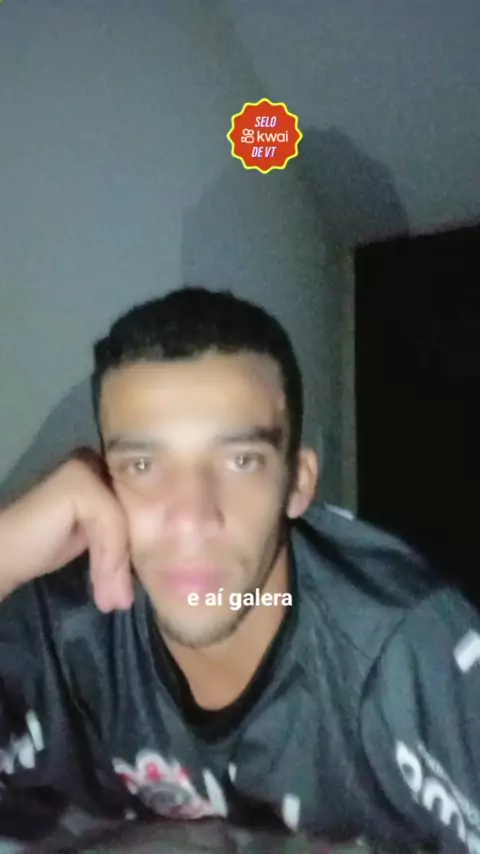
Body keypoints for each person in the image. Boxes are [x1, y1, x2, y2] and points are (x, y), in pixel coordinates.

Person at [0, 286, 478, 853]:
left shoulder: (408, 653)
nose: (192, 519)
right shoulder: (54, 620)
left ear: (297, 485)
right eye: (144, 464)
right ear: (104, 481)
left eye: (241, 460)